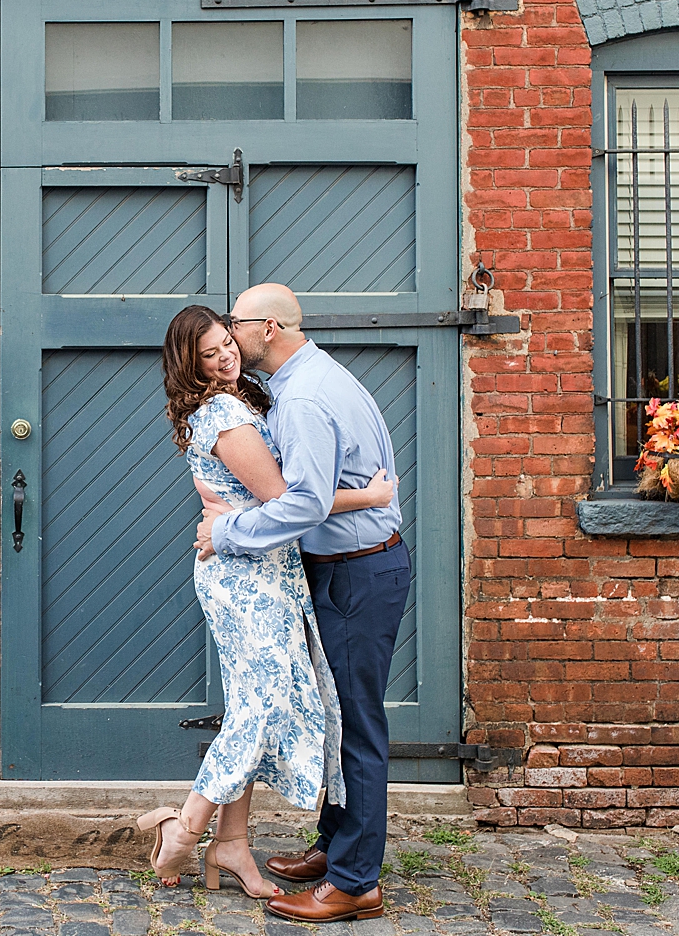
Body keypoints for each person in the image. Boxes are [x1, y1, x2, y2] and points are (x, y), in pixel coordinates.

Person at [139, 305, 395, 899]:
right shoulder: (227, 412)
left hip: (265, 571)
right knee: (259, 707)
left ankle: (231, 844)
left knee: (256, 701)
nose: (226, 355)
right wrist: (369, 496)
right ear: (190, 364)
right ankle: (185, 829)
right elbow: (290, 499)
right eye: (209, 352)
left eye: (227, 342)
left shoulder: (241, 402)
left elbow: (272, 501)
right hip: (246, 578)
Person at [195, 283, 410, 925]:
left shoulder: (306, 399)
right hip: (354, 567)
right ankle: (337, 846)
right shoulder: (308, 381)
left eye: (237, 323)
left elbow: (305, 503)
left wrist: (225, 531)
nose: (230, 334)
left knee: (356, 726)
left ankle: (353, 883)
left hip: (354, 574)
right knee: (337, 716)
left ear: (268, 328)